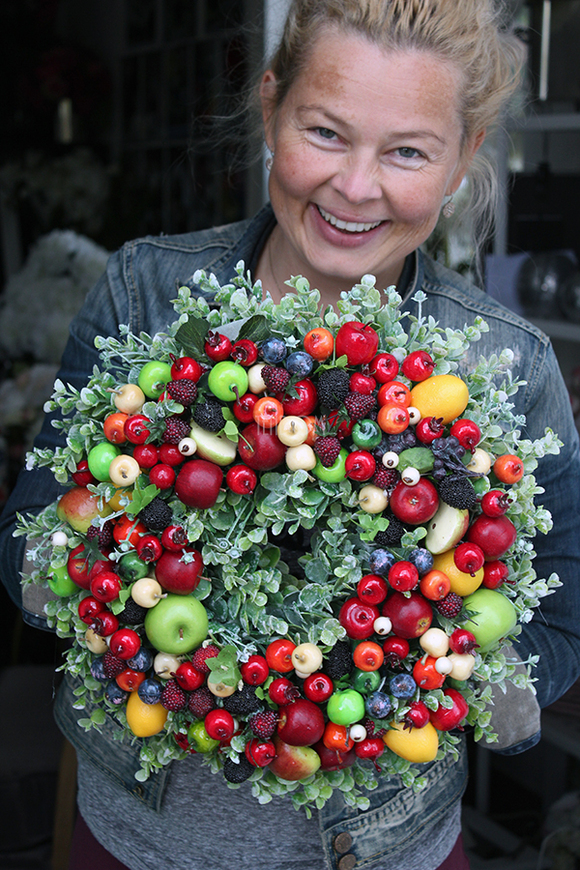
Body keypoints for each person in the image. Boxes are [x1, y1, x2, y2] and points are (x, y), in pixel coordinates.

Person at [1, 1, 580, 868]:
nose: (355, 187)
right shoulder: (146, 292)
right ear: (271, 107)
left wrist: (466, 678)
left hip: (386, 852)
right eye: (326, 132)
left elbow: (563, 621)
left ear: (465, 156)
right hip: (134, 842)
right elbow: (28, 535)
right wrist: (82, 573)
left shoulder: (509, 363)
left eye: (408, 152)